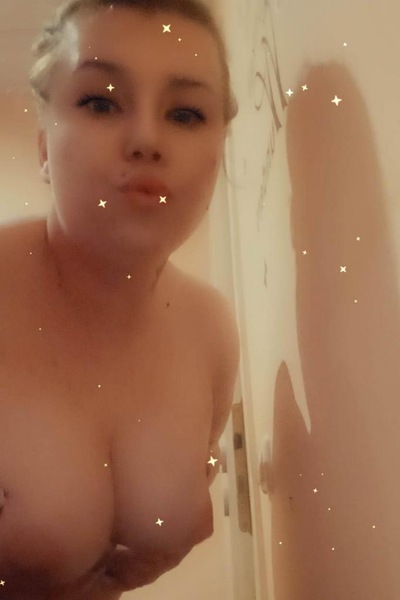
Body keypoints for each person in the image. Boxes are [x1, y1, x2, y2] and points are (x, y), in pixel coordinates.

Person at [0, 0, 240, 598]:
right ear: (43, 146)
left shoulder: (211, 329)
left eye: (185, 113)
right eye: (101, 103)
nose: (146, 140)